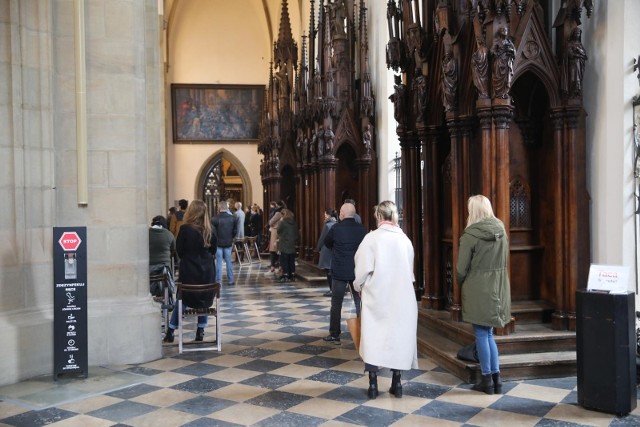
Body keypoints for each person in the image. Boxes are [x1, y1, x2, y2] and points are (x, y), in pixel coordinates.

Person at [354, 201, 418, 399]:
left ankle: (373, 385)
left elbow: (362, 269)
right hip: (402, 297)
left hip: (377, 297)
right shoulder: (405, 240)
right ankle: (397, 383)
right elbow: (411, 272)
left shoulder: (371, 239)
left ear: (379, 217)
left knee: (373, 337)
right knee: (398, 337)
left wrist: (359, 286)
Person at [456, 195, 511, 395]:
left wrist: (461, 284)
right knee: (489, 334)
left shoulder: (470, 235)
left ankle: (486, 379)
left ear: (474, 211)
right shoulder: (501, 231)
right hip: (498, 286)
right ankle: (497, 379)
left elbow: (461, 269)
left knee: (481, 333)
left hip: (477, 287)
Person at [163, 200, 217, 343]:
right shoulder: (210, 229)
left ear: (191, 212)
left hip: (189, 271)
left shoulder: (186, 229)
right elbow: (214, 250)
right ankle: (200, 331)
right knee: (204, 299)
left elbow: (179, 251)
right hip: (207, 272)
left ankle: (170, 331)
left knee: (182, 299)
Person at [323, 203, 366, 345]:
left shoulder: (336, 228)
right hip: (356, 271)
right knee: (359, 302)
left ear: (342, 214)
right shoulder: (362, 229)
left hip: (340, 270)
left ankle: (334, 334)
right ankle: (364, 332)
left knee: (336, 304)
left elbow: (327, 243)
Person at [149, 215, 177, 299]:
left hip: (149, 269)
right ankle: (166, 300)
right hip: (164, 269)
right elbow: (173, 249)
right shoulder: (169, 234)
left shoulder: (146, 233)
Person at [212, 200, 237, 286]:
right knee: (228, 262)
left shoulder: (214, 219)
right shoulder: (233, 218)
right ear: (227, 208)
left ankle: (218, 281)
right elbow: (235, 231)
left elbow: (213, 233)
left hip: (218, 243)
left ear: (219, 208)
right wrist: (231, 238)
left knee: (218, 262)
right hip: (228, 242)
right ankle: (231, 280)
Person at [316, 208, 338, 296]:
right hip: (335, 250)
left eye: (325, 215)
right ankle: (336, 289)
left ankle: (332, 290)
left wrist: (318, 248)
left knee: (329, 271)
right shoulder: (338, 224)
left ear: (328, 215)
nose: (324, 216)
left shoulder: (327, 225)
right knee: (334, 271)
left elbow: (322, 238)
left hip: (327, 250)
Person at [276, 209, 298, 282]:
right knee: (291, 260)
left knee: (284, 260)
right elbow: (296, 234)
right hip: (291, 244)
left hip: (284, 244)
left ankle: (285, 275)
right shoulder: (294, 223)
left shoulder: (283, 222)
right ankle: (292, 275)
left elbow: (278, 231)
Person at [268, 200, 286, 273]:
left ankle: (273, 266)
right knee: (279, 250)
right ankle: (280, 266)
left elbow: (270, 222)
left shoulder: (278, 213)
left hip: (276, 232)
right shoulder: (286, 212)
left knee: (273, 250)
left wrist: (272, 224)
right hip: (283, 232)